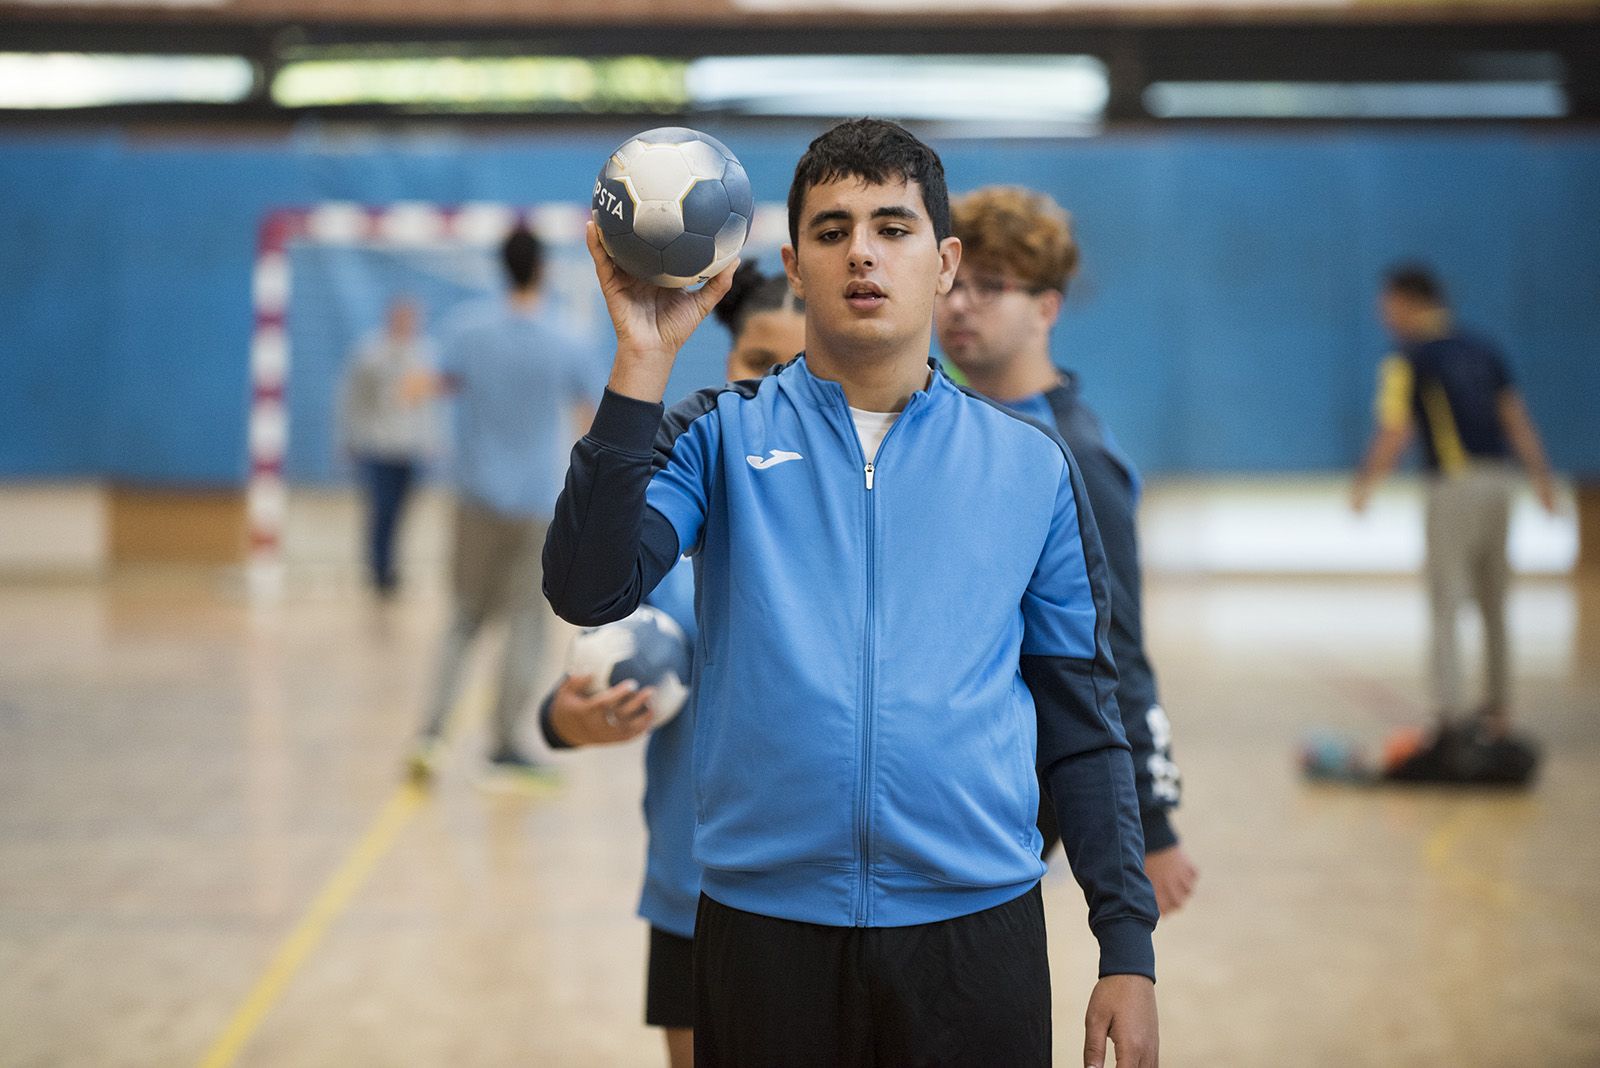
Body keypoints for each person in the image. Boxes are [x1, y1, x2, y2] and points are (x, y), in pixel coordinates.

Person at [544, 119, 1158, 1068]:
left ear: (944, 261)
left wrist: (1127, 944)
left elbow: (1085, 719)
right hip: (761, 932)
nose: (862, 251)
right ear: (794, 264)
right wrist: (642, 355)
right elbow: (588, 589)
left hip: (976, 931)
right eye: (831, 231)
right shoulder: (714, 438)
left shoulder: (1032, 468)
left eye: (893, 227)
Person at [536, 262, 805, 1068]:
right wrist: (567, 720)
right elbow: (586, 668)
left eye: (798, 365)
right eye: (759, 361)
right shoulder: (680, 532)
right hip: (692, 897)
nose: (777, 384)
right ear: (727, 359)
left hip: (806, 899)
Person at [934, 185, 1198, 916]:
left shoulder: (1073, 454)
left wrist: (1152, 818)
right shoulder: (934, 422)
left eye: (991, 288)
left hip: (1015, 776)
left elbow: (1115, 649)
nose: (959, 306)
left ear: (1046, 308)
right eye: (951, 284)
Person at [407, 224, 602, 783]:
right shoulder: (567, 337)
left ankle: (430, 735)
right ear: (542, 269)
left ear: (501, 267)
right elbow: (588, 418)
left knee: (464, 618)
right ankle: (504, 746)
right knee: (524, 625)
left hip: (473, 498)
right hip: (538, 505)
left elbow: (426, 385)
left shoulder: (465, 331)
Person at [1352, 263, 1558, 740]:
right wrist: (1543, 480)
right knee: (1494, 603)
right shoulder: (1484, 350)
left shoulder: (1409, 358)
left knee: (1446, 601)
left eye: (1387, 302)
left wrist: (1365, 484)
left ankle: (1448, 715)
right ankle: (1499, 712)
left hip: (1454, 486)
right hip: (1501, 485)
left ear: (1408, 300)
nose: (1381, 312)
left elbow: (1395, 429)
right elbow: (1516, 418)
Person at [337, 296, 439, 596]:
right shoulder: (370, 355)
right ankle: (378, 569)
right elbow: (354, 398)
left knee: (402, 511)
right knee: (381, 509)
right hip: (378, 447)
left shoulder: (425, 353)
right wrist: (352, 437)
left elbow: (428, 404)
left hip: (410, 449)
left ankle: (393, 566)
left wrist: (432, 439)